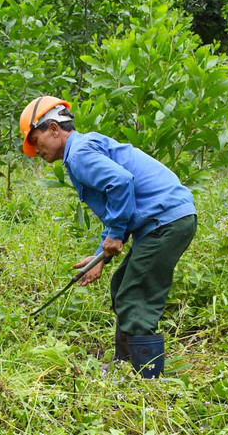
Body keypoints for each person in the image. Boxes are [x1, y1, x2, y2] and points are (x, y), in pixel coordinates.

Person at [19, 96, 196, 379]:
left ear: (53, 129)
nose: (35, 150)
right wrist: (100, 256)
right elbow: (117, 205)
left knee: (135, 296)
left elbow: (121, 183)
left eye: (35, 140)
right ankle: (124, 365)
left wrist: (115, 235)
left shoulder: (79, 154)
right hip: (164, 220)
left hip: (165, 220)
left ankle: (146, 377)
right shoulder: (82, 148)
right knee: (123, 284)